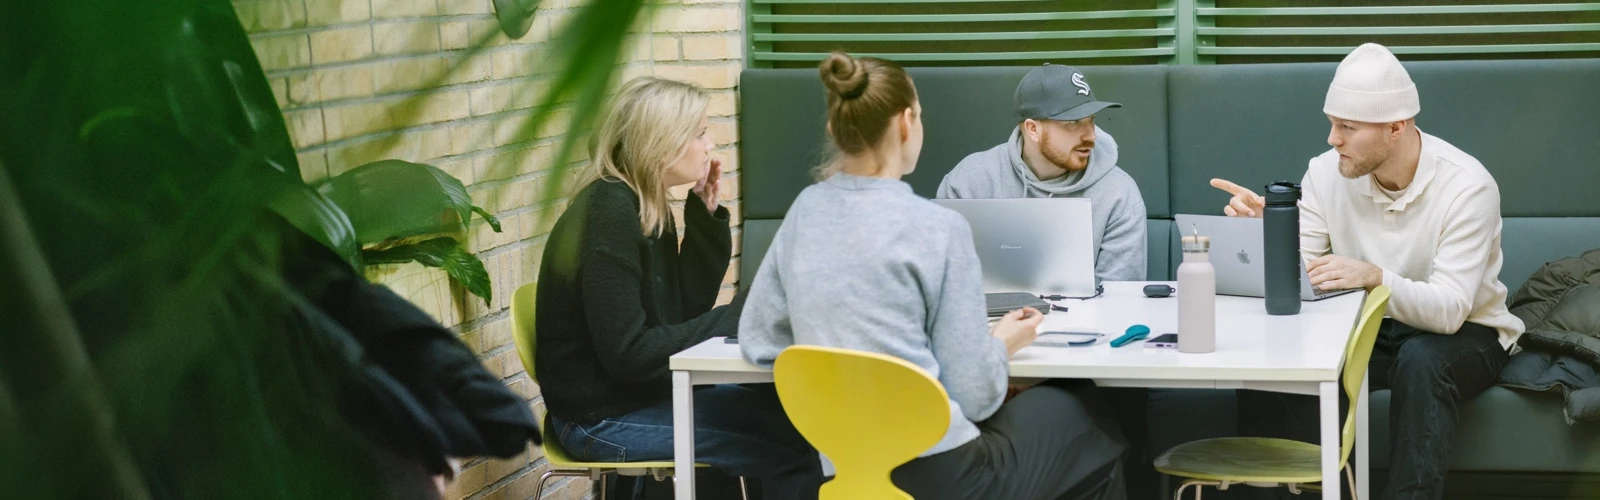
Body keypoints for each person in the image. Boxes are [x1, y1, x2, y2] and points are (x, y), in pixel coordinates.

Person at [739, 52, 1127, 500]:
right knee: (1085, 421)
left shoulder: (805, 211)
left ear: (835, 129)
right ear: (907, 124)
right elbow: (976, 395)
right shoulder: (938, 227)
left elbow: (760, 339)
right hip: (945, 476)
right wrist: (1002, 343)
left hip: (844, 468)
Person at [1212, 43, 1525, 500]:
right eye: (1332, 124)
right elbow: (1303, 273)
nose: (1331, 139)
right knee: (1280, 363)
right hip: (1367, 326)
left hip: (1467, 334)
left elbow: (1450, 311)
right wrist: (1268, 233)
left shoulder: (1467, 186)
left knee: (1421, 362)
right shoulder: (1325, 173)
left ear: (1396, 127)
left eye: (1347, 127)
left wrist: (1374, 276)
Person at [534, 76, 821, 499]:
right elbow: (630, 355)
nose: (710, 145)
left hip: (632, 397)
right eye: (700, 134)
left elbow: (679, 316)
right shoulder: (608, 215)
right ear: (661, 144)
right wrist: (738, 315)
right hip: (598, 419)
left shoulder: (646, 204)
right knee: (789, 445)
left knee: (794, 419)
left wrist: (704, 218)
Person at [937, 63, 1148, 282]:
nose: (1090, 136)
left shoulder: (1119, 194)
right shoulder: (968, 182)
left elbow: (1119, 301)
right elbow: (946, 284)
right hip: (987, 317)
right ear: (1033, 129)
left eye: (1091, 120)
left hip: (1086, 316)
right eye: (1073, 122)